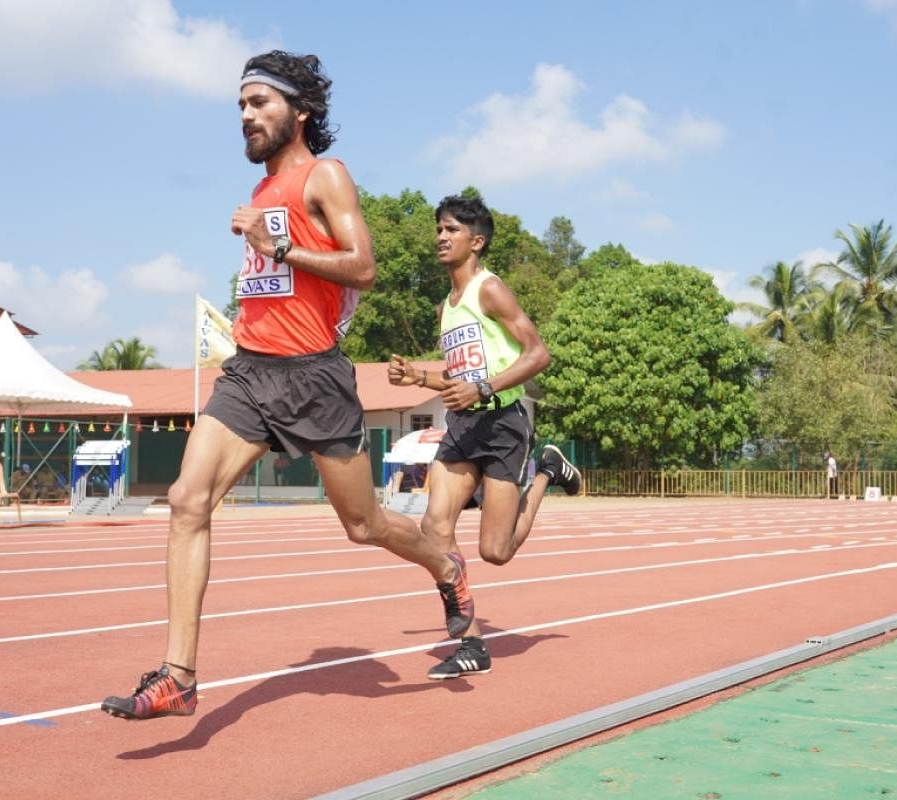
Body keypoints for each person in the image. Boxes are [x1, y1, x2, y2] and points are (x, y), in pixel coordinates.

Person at [100, 50, 473, 721]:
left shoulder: (324, 176)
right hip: (250, 370)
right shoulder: (259, 194)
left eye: (260, 103)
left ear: (300, 111)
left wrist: (275, 248)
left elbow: (362, 268)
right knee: (188, 499)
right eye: (241, 105)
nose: (246, 116)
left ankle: (446, 567)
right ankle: (179, 676)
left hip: (314, 376)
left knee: (364, 525)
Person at [389, 194, 581, 680]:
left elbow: (539, 355)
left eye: (451, 229)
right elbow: (458, 378)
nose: (440, 236)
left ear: (476, 241)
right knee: (434, 527)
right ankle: (472, 643)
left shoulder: (490, 290)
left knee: (496, 551)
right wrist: (418, 377)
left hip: (502, 426)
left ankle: (547, 473)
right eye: (438, 228)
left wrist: (484, 387)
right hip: (462, 428)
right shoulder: (446, 308)